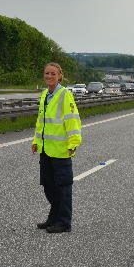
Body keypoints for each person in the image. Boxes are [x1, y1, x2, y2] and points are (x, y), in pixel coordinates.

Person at [31, 62, 82, 233]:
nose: (49, 77)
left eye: (53, 74)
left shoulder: (64, 94)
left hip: (61, 150)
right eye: (47, 73)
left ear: (59, 75)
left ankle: (64, 222)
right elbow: (41, 122)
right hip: (46, 149)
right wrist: (36, 141)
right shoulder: (45, 94)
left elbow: (72, 119)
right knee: (48, 186)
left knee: (63, 187)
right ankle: (53, 218)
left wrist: (73, 143)